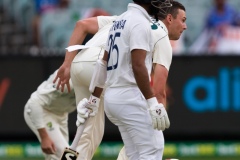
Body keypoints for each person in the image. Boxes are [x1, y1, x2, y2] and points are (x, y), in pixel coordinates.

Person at [54, 1, 186, 159]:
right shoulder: (147, 26)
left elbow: (103, 61)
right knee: (153, 148)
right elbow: (141, 68)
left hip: (111, 95)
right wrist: (153, 105)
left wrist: (94, 99)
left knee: (132, 152)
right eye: (183, 20)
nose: (185, 26)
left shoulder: (120, 20)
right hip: (129, 95)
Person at [23, 70, 76, 160]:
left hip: (62, 114)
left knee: (57, 157)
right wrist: (44, 137)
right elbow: (34, 102)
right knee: (68, 156)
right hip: (42, 111)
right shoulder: (68, 81)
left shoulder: (98, 84)